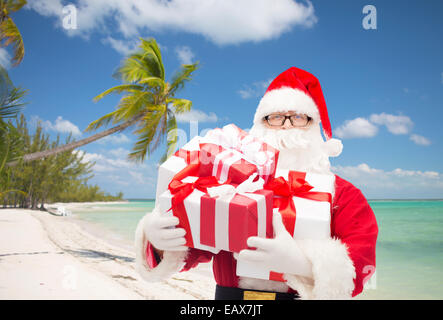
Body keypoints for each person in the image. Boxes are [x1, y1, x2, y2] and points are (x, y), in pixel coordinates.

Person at [134, 67, 378, 300]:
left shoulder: (343, 194)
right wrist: (159, 240)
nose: (287, 126)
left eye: (299, 117)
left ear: (315, 126)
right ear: (260, 125)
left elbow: (361, 262)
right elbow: (198, 244)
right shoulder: (228, 182)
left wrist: (302, 264)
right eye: (276, 117)